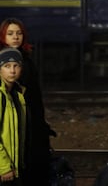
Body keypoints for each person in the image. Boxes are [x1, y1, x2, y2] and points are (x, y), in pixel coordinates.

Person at [0, 18, 55, 186]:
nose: (15, 37)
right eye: (10, 34)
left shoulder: (27, 61)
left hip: (30, 122)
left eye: (19, 33)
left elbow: (35, 97)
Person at [0, 47, 26, 185]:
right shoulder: (0, 95)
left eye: (16, 65)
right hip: (3, 170)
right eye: (6, 66)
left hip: (13, 168)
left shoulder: (17, 94)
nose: (12, 70)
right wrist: (3, 167)